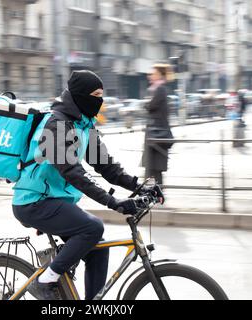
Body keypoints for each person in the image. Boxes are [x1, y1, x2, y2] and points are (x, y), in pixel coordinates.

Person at [12, 70, 164, 300]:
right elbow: (74, 172)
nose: (100, 101)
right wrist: (114, 202)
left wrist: (139, 186)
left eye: (102, 95)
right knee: (93, 228)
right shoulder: (56, 125)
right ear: (81, 95)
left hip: (56, 200)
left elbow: (107, 167)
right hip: (34, 201)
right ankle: (45, 282)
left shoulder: (83, 125)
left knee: (98, 251)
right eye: (96, 95)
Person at [142, 64, 174, 185]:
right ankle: (155, 191)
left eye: (153, 73)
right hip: (155, 131)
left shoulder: (160, 89)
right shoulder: (157, 89)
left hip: (157, 132)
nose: (151, 76)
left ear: (159, 75)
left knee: (154, 166)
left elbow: (151, 106)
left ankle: (154, 191)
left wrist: (147, 104)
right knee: (153, 166)